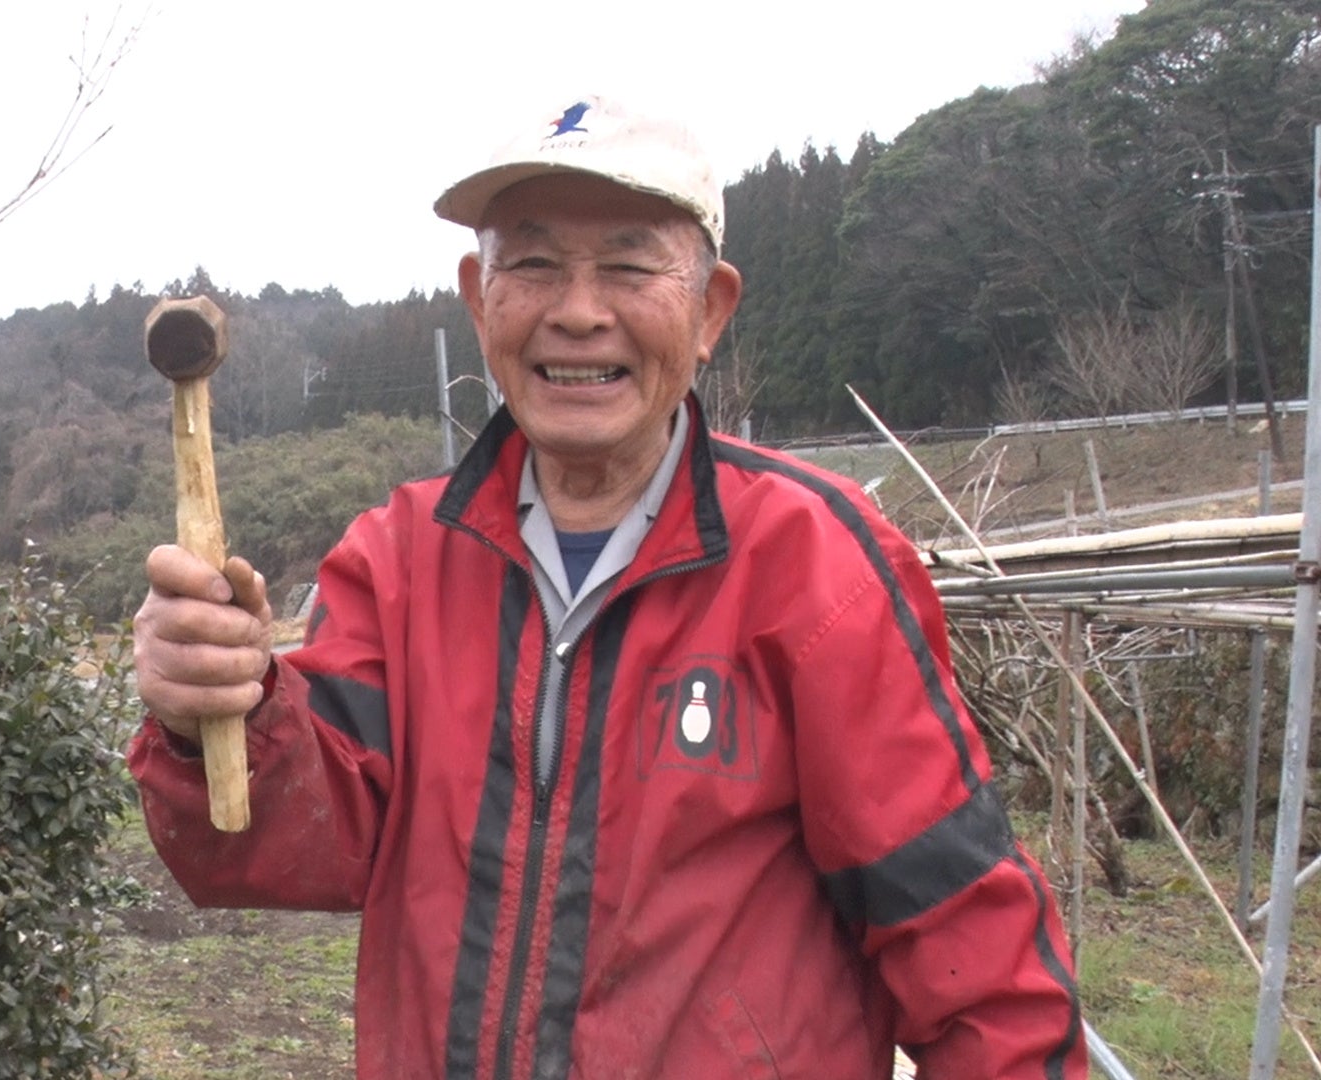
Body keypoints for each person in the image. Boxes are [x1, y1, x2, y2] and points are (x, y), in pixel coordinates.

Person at [129, 94, 1085, 1079]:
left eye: (629, 267)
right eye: (534, 264)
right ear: (479, 299)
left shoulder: (814, 564)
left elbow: (970, 952)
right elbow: (293, 842)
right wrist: (218, 712)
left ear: (710, 310)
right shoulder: (400, 558)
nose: (578, 312)